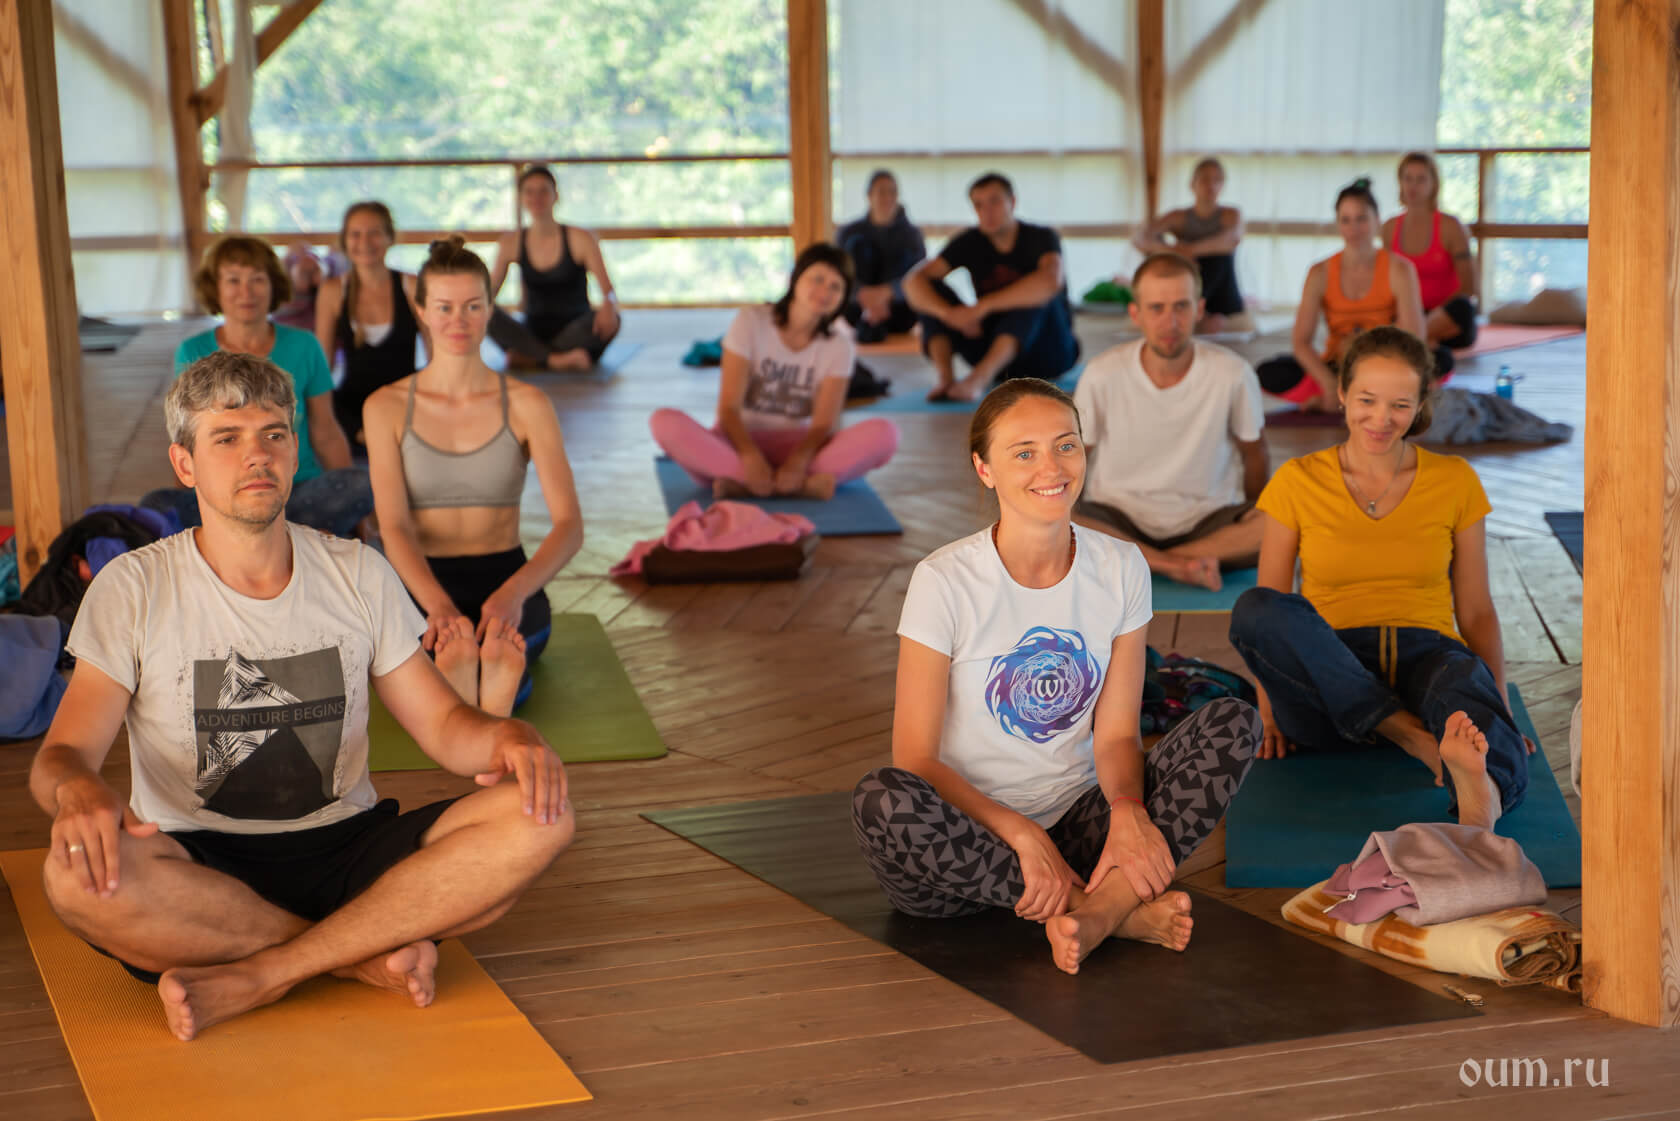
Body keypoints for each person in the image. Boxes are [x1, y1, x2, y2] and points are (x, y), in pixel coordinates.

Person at [28, 350, 574, 1043]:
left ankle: (268, 971)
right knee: (71, 877)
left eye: (274, 434)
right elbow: (63, 754)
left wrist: (509, 736)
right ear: (185, 464)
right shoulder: (134, 587)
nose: (256, 454)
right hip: (197, 867)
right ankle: (357, 954)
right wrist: (77, 790)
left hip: (349, 851)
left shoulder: (357, 572)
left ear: (293, 453)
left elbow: (444, 725)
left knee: (542, 816)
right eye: (227, 438)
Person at [852, 378, 1261, 975]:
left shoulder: (1121, 566)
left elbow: (1116, 734)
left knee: (1232, 723)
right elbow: (916, 759)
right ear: (984, 469)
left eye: (1066, 445)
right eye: (1024, 452)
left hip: (1083, 832)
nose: (1052, 467)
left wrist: (1127, 810)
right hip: (960, 853)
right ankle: (1109, 913)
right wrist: (1022, 835)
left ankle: (1099, 909)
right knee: (880, 798)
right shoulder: (943, 581)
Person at [1228, 326, 1532, 830]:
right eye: (1367, 400)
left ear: (1419, 405)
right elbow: (1273, 608)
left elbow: (1476, 610)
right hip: (1328, 677)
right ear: (1342, 394)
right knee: (1254, 607)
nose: (1381, 418)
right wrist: (1269, 708)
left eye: (1399, 405)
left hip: (1428, 662)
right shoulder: (1297, 480)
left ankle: (1482, 813)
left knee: (1464, 683)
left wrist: (1499, 709)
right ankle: (1408, 735)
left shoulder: (1455, 480)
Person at [364, 238, 584, 716]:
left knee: (482, 665)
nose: (458, 321)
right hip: (421, 582)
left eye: (472, 306)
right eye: (444, 307)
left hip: (506, 578)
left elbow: (569, 526)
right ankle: (480, 697)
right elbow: (394, 526)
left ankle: (481, 694)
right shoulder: (385, 407)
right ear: (421, 310)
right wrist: (438, 607)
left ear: (489, 310)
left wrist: (514, 594)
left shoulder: (528, 404)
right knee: (445, 666)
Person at [141, 235, 373, 538]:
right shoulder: (193, 351)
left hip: (296, 490)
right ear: (215, 288)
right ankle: (296, 536)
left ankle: (266, 535)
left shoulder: (304, 345)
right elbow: (188, 438)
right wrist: (191, 504)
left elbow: (326, 430)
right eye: (233, 280)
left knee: (361, 483)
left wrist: (358, 516)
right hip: (228, 493)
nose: (246, 292)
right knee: (157, 505)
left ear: (274, 285)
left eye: (257, 280)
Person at [1073, 253, 1269, 591]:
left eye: (1181, 306)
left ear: (1199, 309)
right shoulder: (1102, 373)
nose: (1171, 322)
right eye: (1156, 308)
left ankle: (1144, 562)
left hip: (1206, 522)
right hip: (1117, 516)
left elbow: (1255, 453)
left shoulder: (1232, 373)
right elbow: (1075, 455)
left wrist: (1252, 513)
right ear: (1136, 313)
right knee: (1043, 515)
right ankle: (1176, 566)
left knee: (1281, 522)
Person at [649, 243, 899, 501]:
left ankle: (745, 485)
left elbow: (823, 424)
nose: (825, 291)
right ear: (795, 279)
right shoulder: (751, 321)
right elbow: (728, 409)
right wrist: (750, 457)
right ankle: (797, 486)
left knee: (886, 434)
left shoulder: (840, 346)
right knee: (664, 422)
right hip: (736, 443)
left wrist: (798, 462)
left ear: (843, 298)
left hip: (800, 446)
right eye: (818, 279)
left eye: (836, 286)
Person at [1255, 178, 1453, 412]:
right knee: (1268, 372)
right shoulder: (1319, 272)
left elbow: (1414, 336)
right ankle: (1356, 395)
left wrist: (1375, 360)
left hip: (1386, 362)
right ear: (1338, 224)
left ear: (1377, 221)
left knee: (1442, 360)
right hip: (1338, 365)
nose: (1354, 229)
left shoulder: (1399, 269)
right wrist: (1328, 384)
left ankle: (1348, 398)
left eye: (1362, 219)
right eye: (1346, 220)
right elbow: (1301, 342)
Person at [903, 172, 1081, 402]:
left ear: (1012, 202)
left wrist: (981, 308)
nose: (987, 212)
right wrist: (949, 314)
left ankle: (978, 380)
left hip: (1049, 351)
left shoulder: (1041, 237)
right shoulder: (970, 241)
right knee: (930, 291)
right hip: (993, 349)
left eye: (994, 201)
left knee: (1034, 293)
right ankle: (945, 380)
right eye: (979, 205)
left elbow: (1050, 281)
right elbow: (913, 281)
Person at [488, 165, 621, 372]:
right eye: (530, 192)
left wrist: (609, 305)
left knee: (613, 319)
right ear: (521, 198)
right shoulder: (510, 242)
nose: (537, 198)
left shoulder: (581, 238)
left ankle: (532, 357)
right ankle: (557, 359)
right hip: (532, 330)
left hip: (575, 329)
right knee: (483, 310)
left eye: (543, 191)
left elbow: (608, 291)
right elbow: (489, 292)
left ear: (555, 195)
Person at [313, 201, 423, 451]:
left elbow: (439, 357)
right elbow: (323, 368)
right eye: (356, 234)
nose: (364, 242)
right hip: (353, 412)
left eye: (374, 233)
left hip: (406, 407)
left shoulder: (412, 286)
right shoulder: (333, 291)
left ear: (390, 238)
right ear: (345, 240)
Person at [1130, 158, 1252, 333]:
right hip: (1188, 281)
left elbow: (1231, 240)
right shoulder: (1178, 217)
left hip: (1222, 294)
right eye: (1205, 179)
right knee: (1164, 259)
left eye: (1217, 180)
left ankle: (1200, 311)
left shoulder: (1231, 215)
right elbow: (1140, 238)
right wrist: (1172, 251)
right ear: (1192, 184)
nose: (1211, 185)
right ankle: (1181, 306)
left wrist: (1189, 250)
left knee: (1219, 257)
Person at [1382, 152, 1479, 350]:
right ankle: (1421, 341)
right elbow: (1385, 281)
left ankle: (1408, 339)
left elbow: (1469, 287)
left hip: (1445, 318)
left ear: (1434, 184)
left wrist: (1431, 317)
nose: (1413, 186)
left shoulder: (1451, 226)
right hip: (1406, 315)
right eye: (1408, 178)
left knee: (1463, 308)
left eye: (1421, 179)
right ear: (1400, 182)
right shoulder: (1389, 227)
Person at [837, 169, 927, 343]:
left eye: (892, 192)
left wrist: (888, 292)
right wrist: (863, 295)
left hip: (900, 309)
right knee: (858, 245)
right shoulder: (849, 233)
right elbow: (838, 273)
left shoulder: (912, 235)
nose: (888, 197)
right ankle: (868, 322)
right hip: (857, 306)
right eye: (881, 192)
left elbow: (920, 276)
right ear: (869, 195)